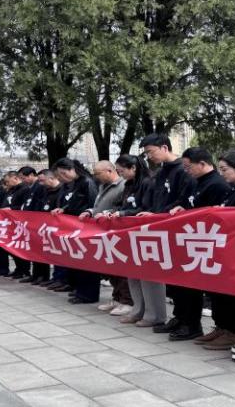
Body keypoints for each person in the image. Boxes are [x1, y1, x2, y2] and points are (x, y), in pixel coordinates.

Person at [192, 149, 235, 351]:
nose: (222, 174)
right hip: (223, 247)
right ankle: (222, 327)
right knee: (219, 292)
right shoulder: (234, 188)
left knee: (230, 295)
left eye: (224, 169)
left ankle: (232, 331)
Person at [164, 147, 231, 342]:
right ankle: (183, 318)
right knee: (182, 284)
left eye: (188, 167)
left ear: (202, 164)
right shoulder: (194, 181)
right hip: (189, 239)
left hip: (205, 243)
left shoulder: (217, 184)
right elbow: (185, 202)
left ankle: (193, 325)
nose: (186, 171)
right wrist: (179, 208)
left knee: (195, 287)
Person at [137, 133, 196, 332]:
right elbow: (156, 200)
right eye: (146, 153)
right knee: (172, 278)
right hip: (161, 228)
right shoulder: (161, 172)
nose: (149, 156)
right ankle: (178, 317)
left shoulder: (183, 170)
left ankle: (188, 321)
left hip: (177, 230)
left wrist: (158, 214)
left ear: (164, 147)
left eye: (151, 151)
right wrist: (152, 213)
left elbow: (182, 200)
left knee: (183, 278)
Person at [106, 154, 157, 325]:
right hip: (129, 234)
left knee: (147, 277)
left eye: (121, 171)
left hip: (145, 234)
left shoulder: (148, 183)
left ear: (133, 168)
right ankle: (137, 310)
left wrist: (124, 213)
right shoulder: (128, 184)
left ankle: (152, 314)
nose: (120, 175)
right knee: (132, 275)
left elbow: (146, 208)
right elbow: (120, 204)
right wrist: (113, 212)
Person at [80, 161, 128, 311]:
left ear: (109, 171)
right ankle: (116, 297)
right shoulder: (102, 186)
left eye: (97, 173)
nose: (95, 177)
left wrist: (107, 213)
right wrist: (90, 211)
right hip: (102, 232)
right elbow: (98, 206)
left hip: (117, 232)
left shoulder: (123, 185)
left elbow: (121, 207)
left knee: (121, 268)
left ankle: (126, 301)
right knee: (110, 267)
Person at [50, 158, 99, 303]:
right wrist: (63, 209)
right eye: (59, 175)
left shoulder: (87, 182)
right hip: (74, 227)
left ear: (72, 169)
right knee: (77, 261)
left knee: (87, 263)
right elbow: (73, 202)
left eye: (63, 173)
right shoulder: (74, 183)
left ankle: (88, 294)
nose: (62, 177)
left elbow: (93, 205)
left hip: (86, 227)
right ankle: (79, 290)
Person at [0, 171, 32, 280]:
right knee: (13, 247)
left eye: (8, 181)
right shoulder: (11, 190)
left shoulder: (25, 189)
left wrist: (11, 208)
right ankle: (18, 269)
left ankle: (24, 270)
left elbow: (25, 206)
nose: (7, 184)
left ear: (15, 178)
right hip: (10, 222)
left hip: (20, 222)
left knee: (21, 247)